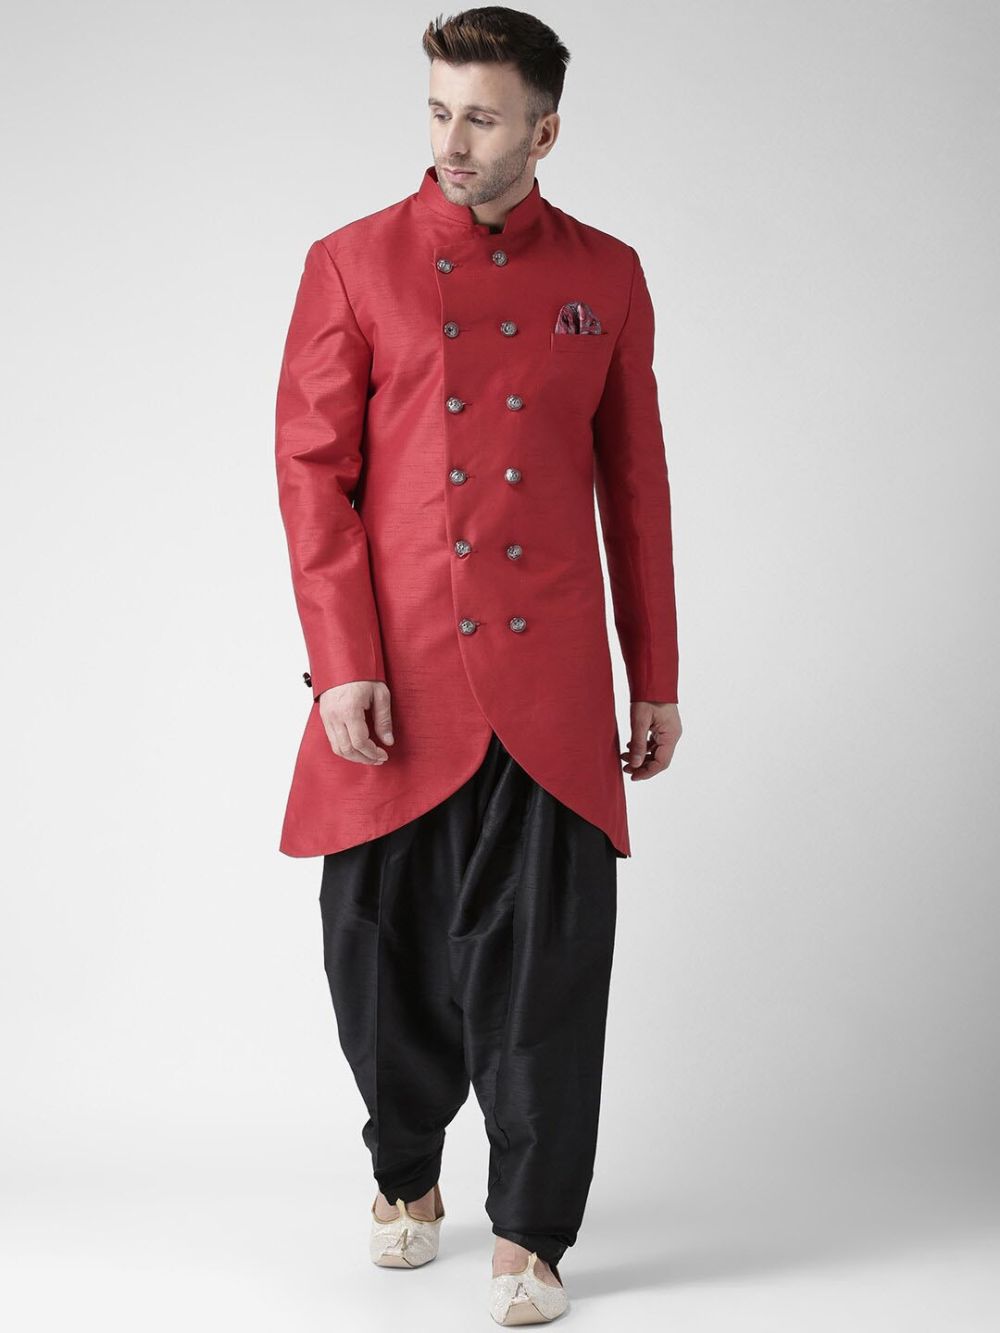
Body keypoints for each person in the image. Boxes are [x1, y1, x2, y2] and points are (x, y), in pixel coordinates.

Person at [274, 7, 682, 1324]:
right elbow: (312, 476)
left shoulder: (608, 273)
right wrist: (342, 660)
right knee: (373, 950)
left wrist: (655, 672)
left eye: (484, 117)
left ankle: (532, 1234)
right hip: (395, 673)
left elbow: (635, 484)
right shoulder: (352, 262)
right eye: (439, 110)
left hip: (548, 671)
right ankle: (405, 1175)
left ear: (544, 131)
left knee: (547, 959)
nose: (454, 140)